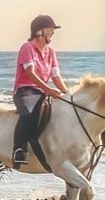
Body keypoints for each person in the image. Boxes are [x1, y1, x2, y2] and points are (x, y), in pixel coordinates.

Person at [13, 14, 69, 168]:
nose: (53, 33)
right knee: (28, 113)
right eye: (51, 30)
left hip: (42, 92)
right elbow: (30, 73)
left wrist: (66, 93)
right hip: (25, 91)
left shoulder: (51, 52)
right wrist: (48, 89)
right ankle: (19, 149)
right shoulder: (27, 48)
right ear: (41, 31)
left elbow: (56, 76)